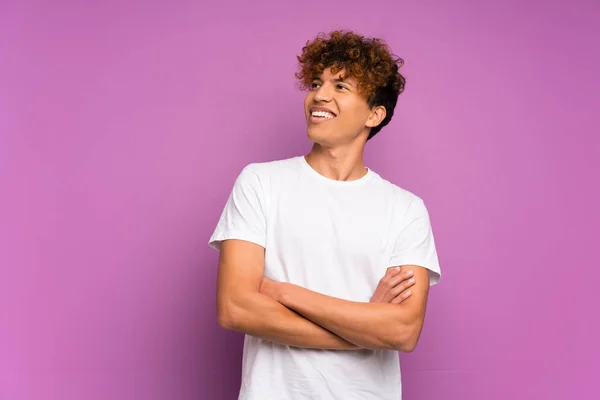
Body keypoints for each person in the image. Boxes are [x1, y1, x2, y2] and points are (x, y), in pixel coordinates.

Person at [208, 30, 441, 400]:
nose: (319, 94)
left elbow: (402, 332)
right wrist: (363, 331)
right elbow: (235, 307)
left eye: (341, 86)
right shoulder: (260, 183)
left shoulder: (406, 210)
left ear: (375, 114)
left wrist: (282, 292)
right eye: (316, 82)